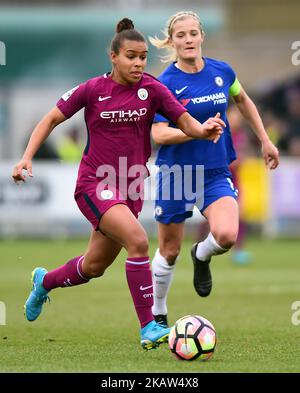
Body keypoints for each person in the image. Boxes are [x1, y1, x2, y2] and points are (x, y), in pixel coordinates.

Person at [12, 18, 225, 350]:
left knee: (93, 266)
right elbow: (51, 117)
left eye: (142, 57)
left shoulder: (153, 89)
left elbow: (185, 122)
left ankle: (44, 281)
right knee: (139, 242)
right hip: (95, 184)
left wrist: (204, 130)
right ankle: (149, 327)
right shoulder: (93, 89)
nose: (139, 63)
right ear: (113, 56)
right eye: (131, 56)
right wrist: (26, 157)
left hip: (132, 189)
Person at [149, 11, 279, 326]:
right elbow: (158, 133)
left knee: (227, 235)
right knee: (168, 250)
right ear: (172, 41)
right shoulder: (164, 83)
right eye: (181, 35)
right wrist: (195, 131)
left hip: (214, 170)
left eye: (193, 33)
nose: (188, 39)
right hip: (177, 174)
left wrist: (264, 140)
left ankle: (202, 255)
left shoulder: (222, 71)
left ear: (202, 36)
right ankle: (159, 313)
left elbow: (244, 101)